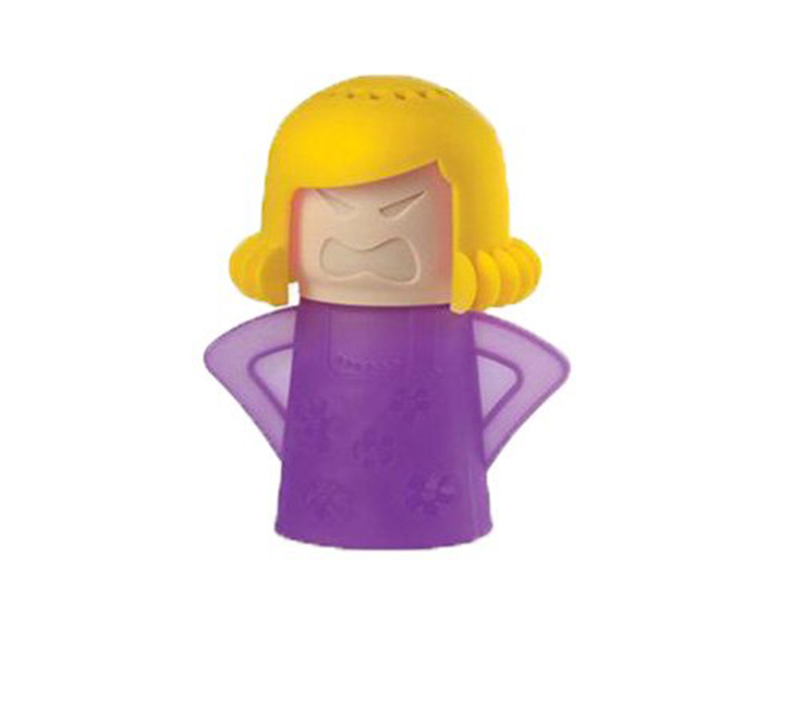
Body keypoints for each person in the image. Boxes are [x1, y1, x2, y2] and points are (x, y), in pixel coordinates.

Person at [205, 75, 569, 548]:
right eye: (334, 205)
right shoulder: (305, 319)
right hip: (324, 506)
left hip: (437, 505)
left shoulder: (452, 313)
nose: (363, 228)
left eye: (401, 207)